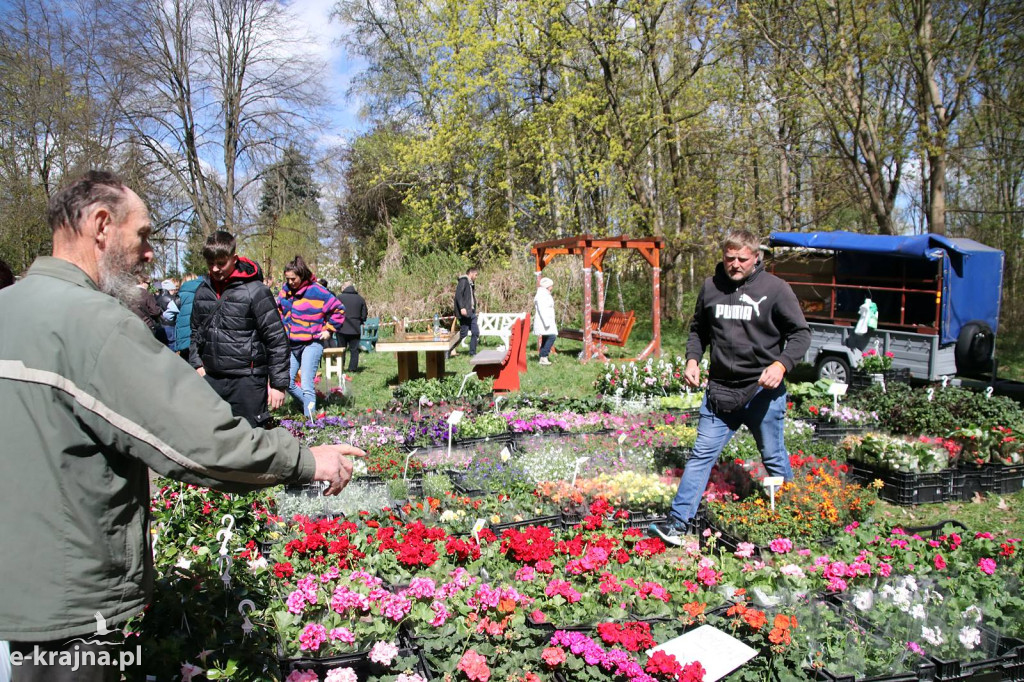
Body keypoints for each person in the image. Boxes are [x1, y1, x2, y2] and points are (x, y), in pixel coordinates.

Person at [0, 170, 359, 682]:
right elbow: (197, 440)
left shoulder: (7, 307)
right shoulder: (93, 322)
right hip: (65, 602)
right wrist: (306, 460)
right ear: (102, 225)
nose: (150, 253)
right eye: (143, 235)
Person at [650, 229, 810, 546]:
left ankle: (795, 520)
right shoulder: (711, 287)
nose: (734, 264)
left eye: (741, 258)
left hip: (762, 393)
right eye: (729, 258)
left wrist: (781, 365)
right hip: (720, 393)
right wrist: (692, 360)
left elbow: (801, 334)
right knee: (700, 456)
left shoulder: (775, 289)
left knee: (774, 458)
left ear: (756, 257)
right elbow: (698, 330)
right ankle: (678, 526)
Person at [190, 231, 290, 428]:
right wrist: (196, 364)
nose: (216, 269)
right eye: (211, 264)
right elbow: (195, 332)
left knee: (252, 437)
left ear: (234, 259)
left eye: (221, 263)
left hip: (247, 380)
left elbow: (276, 339)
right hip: (211, 378)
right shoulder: (202, 291)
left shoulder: (255, 291)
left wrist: (278, 384)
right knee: (214, 437)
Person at [276, 256, 346, 418]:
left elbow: (339, 309)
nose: (290, 282)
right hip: (292, 344)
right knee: (286, 381)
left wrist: (329, 329)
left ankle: (311, 421)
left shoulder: (317, 291)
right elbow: (279, 311)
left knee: (307, 384)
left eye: (293, 279)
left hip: (312, 343)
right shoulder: (284, 292)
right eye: (287, 279)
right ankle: (310, 405)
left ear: (302, 275)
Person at [337, 280, 368, 372]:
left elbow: (333, 312)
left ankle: (340, 367)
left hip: (341, 327)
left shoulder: (339, 298)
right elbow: (364, 314)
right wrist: (360, 321)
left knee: (340, 349)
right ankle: (352, 368)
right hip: (355, 328)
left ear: (344, 287)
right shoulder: (360, 299)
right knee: (354, 350)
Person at [128, 274, 168, 344]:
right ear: (142, 282)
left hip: (131, 325)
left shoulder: (127, 293)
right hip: (147, 325)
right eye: (148, 283)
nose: (149, 286)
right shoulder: (146, 293)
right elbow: (155, 311)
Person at [174, 273, 202, 361]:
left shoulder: (180, 296)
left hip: (184, 336)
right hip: (199, 335)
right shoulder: (204, 292)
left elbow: (168, 314)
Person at [452, 266, 479, 357]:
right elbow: (458, 295)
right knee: (463, 333)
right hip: (465, 312)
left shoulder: (471, 283)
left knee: (475, 332)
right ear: (471, 273)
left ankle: (473, 352)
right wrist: (462, 308)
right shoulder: (463, 281)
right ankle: (449, 349)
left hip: (471, 312)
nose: (476, 276)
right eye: (476, 275)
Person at [533, 276, 557, 365]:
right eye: (551, 286)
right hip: (545, 321)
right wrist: (547, 323)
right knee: (552, 336)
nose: (552, 287)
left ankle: (542, 357)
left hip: (547, 320)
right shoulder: (542, 295)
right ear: (547, 286)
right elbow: (542, 310)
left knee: (546, 337)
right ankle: (544, 356)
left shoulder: (544, 294)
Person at [156, 278, 180, 349]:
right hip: (170, 325)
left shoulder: (157, 297)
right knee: (171, 344)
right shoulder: (171, 299)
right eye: (173, 290)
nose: (174, 292)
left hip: (160, 324)